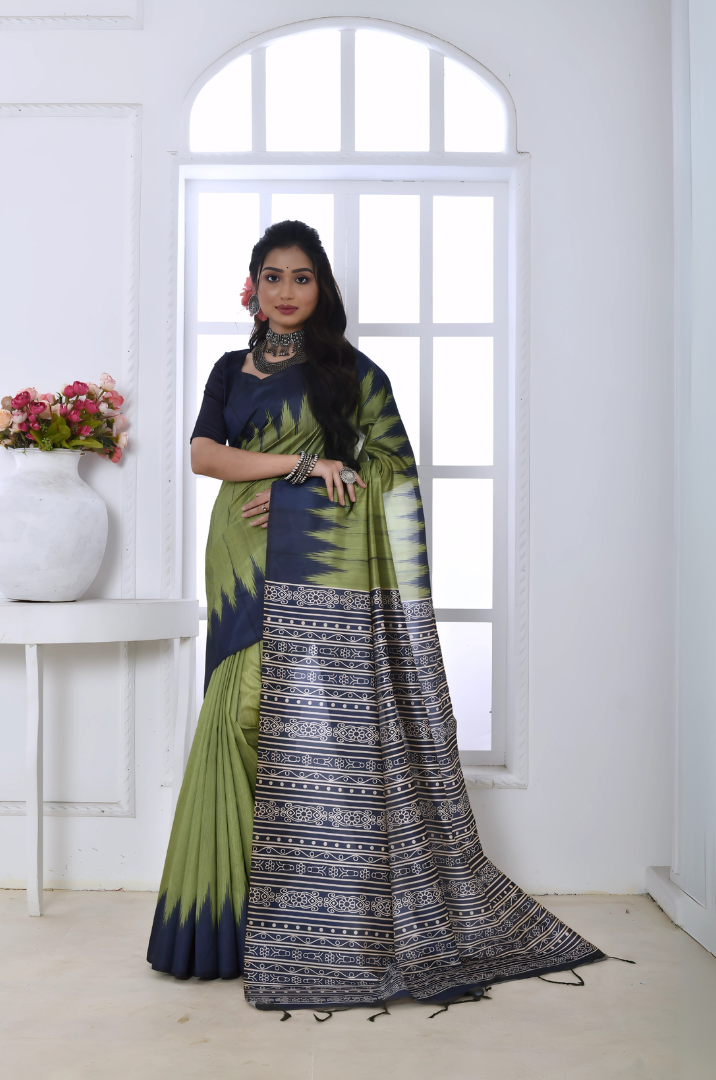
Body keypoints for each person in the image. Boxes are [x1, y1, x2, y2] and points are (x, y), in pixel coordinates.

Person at [147, 219, 603, 1010]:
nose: (287, 291)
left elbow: (388, 475)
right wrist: (299, 465)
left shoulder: (352, 373)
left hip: (313, 566)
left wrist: (298, 504)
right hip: (238, 560)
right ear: (251, 287)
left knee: (299, 727)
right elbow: (204, 456)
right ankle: (220, 926)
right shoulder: (229, 367)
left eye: (303, 277)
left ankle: (313, 915)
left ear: (322, 288)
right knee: (234, 719)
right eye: (273, 276)